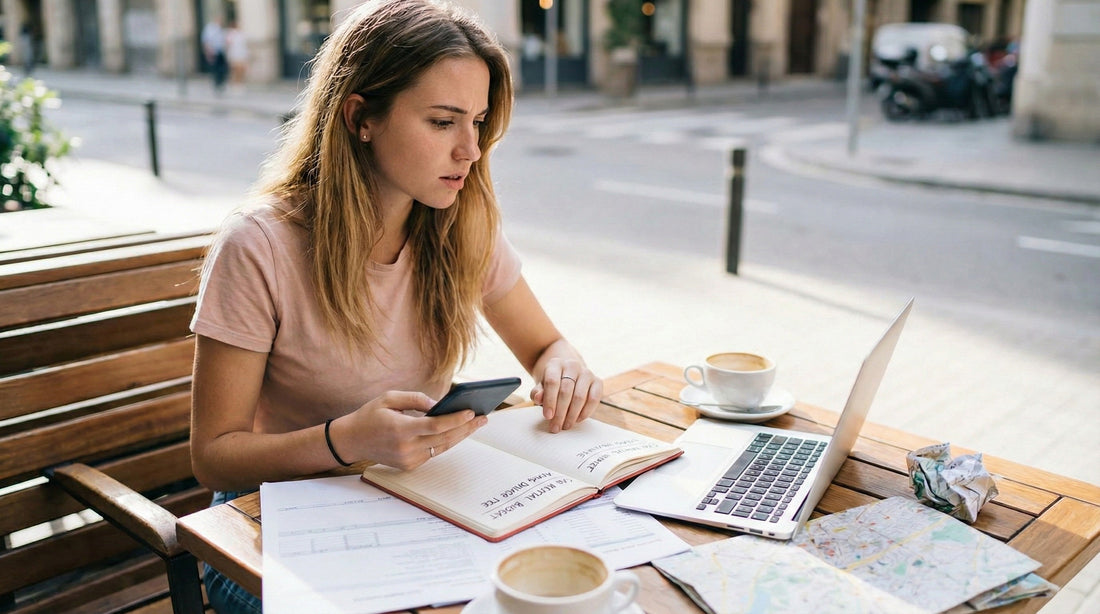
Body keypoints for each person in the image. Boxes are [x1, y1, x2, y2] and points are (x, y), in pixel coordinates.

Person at [189, 1, 602, 612]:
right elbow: (214, 458)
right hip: (269, 530)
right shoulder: (260, 246)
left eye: (480, 121)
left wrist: (563, 367)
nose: (471, 150)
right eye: (442, 122)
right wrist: (344, 441)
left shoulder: (461, 225)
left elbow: (548, 346)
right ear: (361, 117)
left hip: (414, 504)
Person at [201, 17, 229, 93]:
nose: (221, 22)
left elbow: (223, 41)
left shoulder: (221, 29)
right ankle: (216, 84)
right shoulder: (210, 28)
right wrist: (208, 51)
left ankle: (220, 83)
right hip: (213, 51)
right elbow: (206, 40)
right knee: (215, 69)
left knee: (222, 68)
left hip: (220, 51)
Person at [225, 20, 248, 89]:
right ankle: (235, 85)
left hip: (241, 54)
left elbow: (244, 45)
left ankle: (239, 84)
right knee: (235, 70)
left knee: (241, 70)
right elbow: (228, 44)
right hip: (234, 55)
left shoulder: (241, 34)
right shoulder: (231, 34)